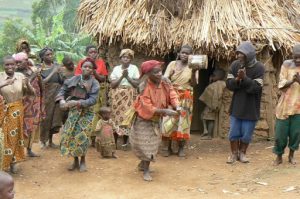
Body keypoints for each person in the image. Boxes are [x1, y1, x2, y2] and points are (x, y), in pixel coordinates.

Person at [130, 60, 179, 181]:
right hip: (143, 118)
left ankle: (144, 165)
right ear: (148, 74)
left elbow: (172, 94)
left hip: (156, 118)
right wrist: (165, 112)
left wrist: (177, 106)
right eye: (155, 72)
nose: (159, 74)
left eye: (160, 71)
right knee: (145, 144)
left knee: (152, 143)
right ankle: (146, 170)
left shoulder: (165, 82)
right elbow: (147, 106)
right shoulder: (144, 86)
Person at [56, 58, 100, 172]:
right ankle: (75, 161)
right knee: (72, 135)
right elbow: (62, 91)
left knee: (83, 136)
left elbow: (93, 100)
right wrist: (61, 101)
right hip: (73, 111)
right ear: (81, 68)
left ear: (92, 70)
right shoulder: (73, 79)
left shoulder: (95, 83)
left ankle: (83, 161)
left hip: (87, 113)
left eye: (90, 67)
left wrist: (77, 102)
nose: (87, 69)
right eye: (85, 66)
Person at [226, 41, 265, 164]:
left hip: (251, 107)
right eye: (238, 54)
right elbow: (229, 85)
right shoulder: (235, 65)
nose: (238, 56)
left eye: (241, 54)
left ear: (249, 55)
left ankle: (242, 153)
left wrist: (245, 79)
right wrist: (237, 79)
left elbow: (255, 88)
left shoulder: (259, 67)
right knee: (233, 132)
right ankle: (233, 153)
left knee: (247, 133)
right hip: (237, 106)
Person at [0, 56, 35, 173]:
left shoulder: (20, 77)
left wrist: (28, 84)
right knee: (4, 136)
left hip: (18, 111)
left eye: (12, 64)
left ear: (15, 65)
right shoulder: (0, 77)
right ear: (3, 66)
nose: (10, 67)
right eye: (7, 65)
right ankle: (4, 162)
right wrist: (4, 84)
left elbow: (32, 93)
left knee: (16, 136)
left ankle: (14, 161)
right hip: (3, 110)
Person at [162, 45, 197, 157]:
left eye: (187, 53)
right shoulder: (172, 64)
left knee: (184, 122)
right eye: (183, 52)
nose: (184, 55)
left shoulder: (193, 66)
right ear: (179, 53)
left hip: (186, 97)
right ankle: (168, 148)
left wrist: (194, 72)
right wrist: (170, 76)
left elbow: (194, 84)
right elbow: (164, 78)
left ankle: (181, 148)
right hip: (172, 95)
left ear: (190, 55)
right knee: (168, 121)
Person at [75, 45, 108, 146]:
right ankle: (84, 137)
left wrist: (94, 72)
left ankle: (93, 139)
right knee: (84, 113)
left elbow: (103, 79)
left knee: (96, 114)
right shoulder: (82, 62)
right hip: (84, 92)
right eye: (91, 52)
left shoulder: (101, 63)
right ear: (87, 53)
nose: (93, 54)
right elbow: (77, 77)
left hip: (97, 91)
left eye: (95, 52)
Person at [273, 43, 300, 165]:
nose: (298, 59)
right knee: (280, 134)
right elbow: (281, 83)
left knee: (295, 133)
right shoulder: (286, 65)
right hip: (284, 106)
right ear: (292, 55)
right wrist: (292, 81)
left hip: (298, 107)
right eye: (296, 57)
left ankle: (291, 155)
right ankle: (279, 156)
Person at [14, 52, 43, 157]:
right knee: (21, 126)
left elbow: (41, 85)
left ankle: (29, 149)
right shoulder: (15, 74)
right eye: (15, 62)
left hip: (34, 104)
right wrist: (34, 76)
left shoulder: (33, 70)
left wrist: (41, 101)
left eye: (19, 62)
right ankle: (17, 152)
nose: (17, 65)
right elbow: (24, 86)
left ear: (26, 61)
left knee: (32, 126)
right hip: (22, 105)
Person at [110, 49, 140, 149]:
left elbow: (136, 84)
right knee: (116, 116)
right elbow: (113, 85)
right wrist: (122, 76)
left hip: (129, 95)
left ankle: (125, 142)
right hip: (117, 95)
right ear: (120, 58)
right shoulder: (116, 69)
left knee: (127, 117)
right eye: (124, 57)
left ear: (131, 59)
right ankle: (115, 141)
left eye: (128, 57)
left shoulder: (134, 68)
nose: (126, 59)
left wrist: (127, 78)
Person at [38, 47, 63, 149]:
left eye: (51, 54)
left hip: (57, 94)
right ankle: (43, 141)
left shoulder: (56, 65)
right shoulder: (40, 68)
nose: (50, 56)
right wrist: (53, 71)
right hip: (47, 95)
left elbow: (61, 81)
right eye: (47, 55)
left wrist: (59, 73)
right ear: (42, 57)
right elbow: (43, 82)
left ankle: (51, 141)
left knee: (55, 117)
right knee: (46, 118)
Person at [199, 68, 226, 140]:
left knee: (210, 119)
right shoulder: (219, 84)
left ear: (219, 76)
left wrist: (214, 104)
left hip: (213, 105)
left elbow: (212, 93)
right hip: (212, 104)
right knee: (203, 116)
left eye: (214, 76)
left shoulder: (217, 84)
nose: (212, 77)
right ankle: (205, 130)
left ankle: (209, 135)